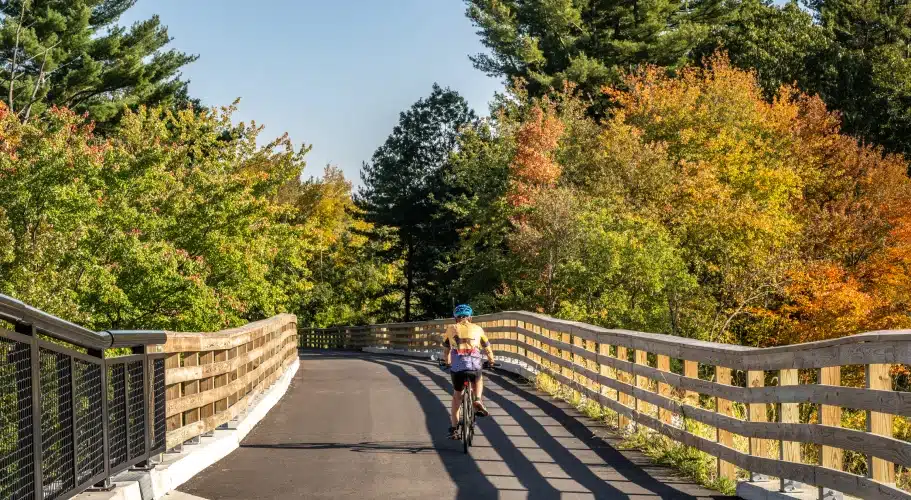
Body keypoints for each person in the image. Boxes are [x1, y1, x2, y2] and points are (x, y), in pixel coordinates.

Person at [441, 304, 495, 439]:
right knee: (478, 378)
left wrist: (447, 363)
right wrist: (491, 361)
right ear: (470, 318)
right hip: (474, 366)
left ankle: (454, 428)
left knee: (456, 396)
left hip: (458, 368)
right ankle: (477, 399)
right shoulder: (478, 329)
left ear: (455, 318)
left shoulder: (450, 329)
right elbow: (487, 349)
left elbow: (446, 350)